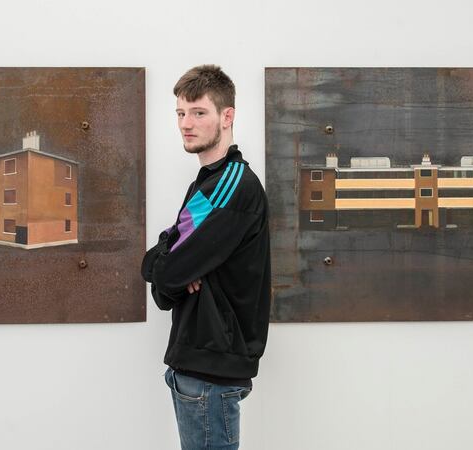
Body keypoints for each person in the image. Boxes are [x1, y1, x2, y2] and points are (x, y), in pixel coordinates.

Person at [141, 65, 271, 450]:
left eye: (199, 113)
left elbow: (167, 277)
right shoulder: (206, 184)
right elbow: (159, 267)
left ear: (226, 116)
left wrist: (170, 272)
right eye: (181, 113)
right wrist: (169, 270)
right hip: (195, 368)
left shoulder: (232, 185)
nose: (186, 123)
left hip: (211, 370)